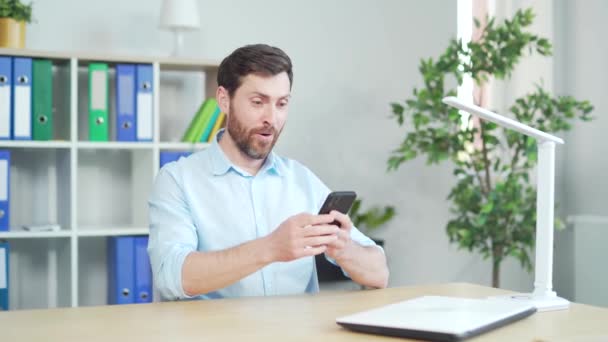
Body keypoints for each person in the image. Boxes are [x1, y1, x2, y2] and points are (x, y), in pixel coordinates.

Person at [148, 44, 389, 300]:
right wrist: (270, 248)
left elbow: (379, 274)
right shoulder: (177, 180)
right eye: (258, 102)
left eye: (281, 104)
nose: (271, 118)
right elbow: (171, 277)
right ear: (224, 100)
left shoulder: (301, 179)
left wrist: (343, 248)